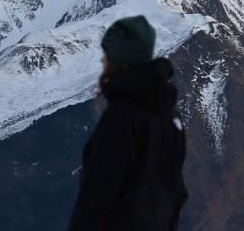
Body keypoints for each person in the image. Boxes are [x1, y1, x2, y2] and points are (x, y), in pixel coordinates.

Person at [67, 15, 188, 231]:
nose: (103, 61)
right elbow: (176, 194)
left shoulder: (122, 116)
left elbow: (98, 195)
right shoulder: (171, 118)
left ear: (120, 60)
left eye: (108, 55)